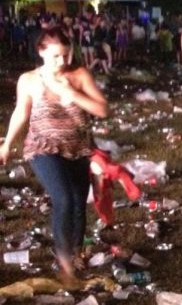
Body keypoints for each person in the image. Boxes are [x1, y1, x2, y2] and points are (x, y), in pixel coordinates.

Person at [0, 27, 109, 287]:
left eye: (66, 55)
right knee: (64, 198)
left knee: (79, 203)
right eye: (56, 57)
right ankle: (65, 264)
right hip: (43, 147)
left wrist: (73, 94)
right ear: (41, 52)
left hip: (78, 148)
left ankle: (77, 252)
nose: (62, 62)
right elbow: (20, 113)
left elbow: (102, 109)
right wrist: (7, 144)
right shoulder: (28, 80)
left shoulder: (79, 75)